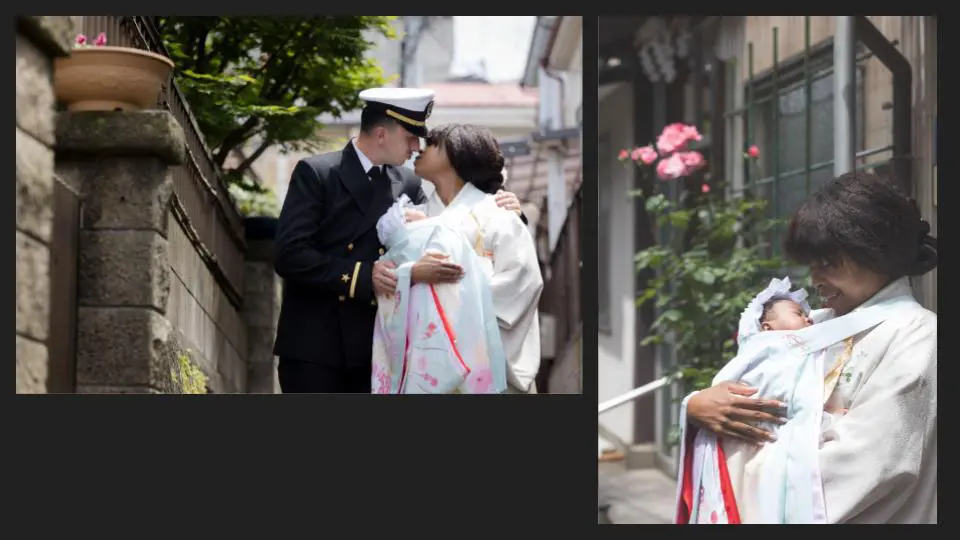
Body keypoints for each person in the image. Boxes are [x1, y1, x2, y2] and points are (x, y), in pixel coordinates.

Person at [678, 171, 937, 523]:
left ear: (877, 250)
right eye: (812, 265)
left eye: (828, 263)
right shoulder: (817, 323)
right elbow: (751, 385)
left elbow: (868, 464)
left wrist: (741, 457)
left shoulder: (918, 335)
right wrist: (697, 405)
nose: (815, 280)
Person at [273, 88, 524, 393]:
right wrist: (362, 276)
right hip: (315, 346)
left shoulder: (408, 182)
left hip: (379, 350)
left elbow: (442, 235)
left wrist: (502, 212)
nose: (417, 147)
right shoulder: (319, 173)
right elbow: (290, 254)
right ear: (381, 134)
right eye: (410, 137)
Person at [398, 123, 543, 394]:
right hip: (425, 359)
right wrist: (409, 274)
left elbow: (523, 282)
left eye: (431, 144)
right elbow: (391, 280)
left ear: (456, 155)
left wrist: (446, 293)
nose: (419, 148)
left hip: (482, 355)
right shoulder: (411, 217)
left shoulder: (498, 216)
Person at [369, 194, 509, 394]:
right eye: (413, 215)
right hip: (460, 338)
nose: (422, 215)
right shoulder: (435, 232)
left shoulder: (492, 210)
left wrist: (405, 276)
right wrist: (410, 274)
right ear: (406, 223)